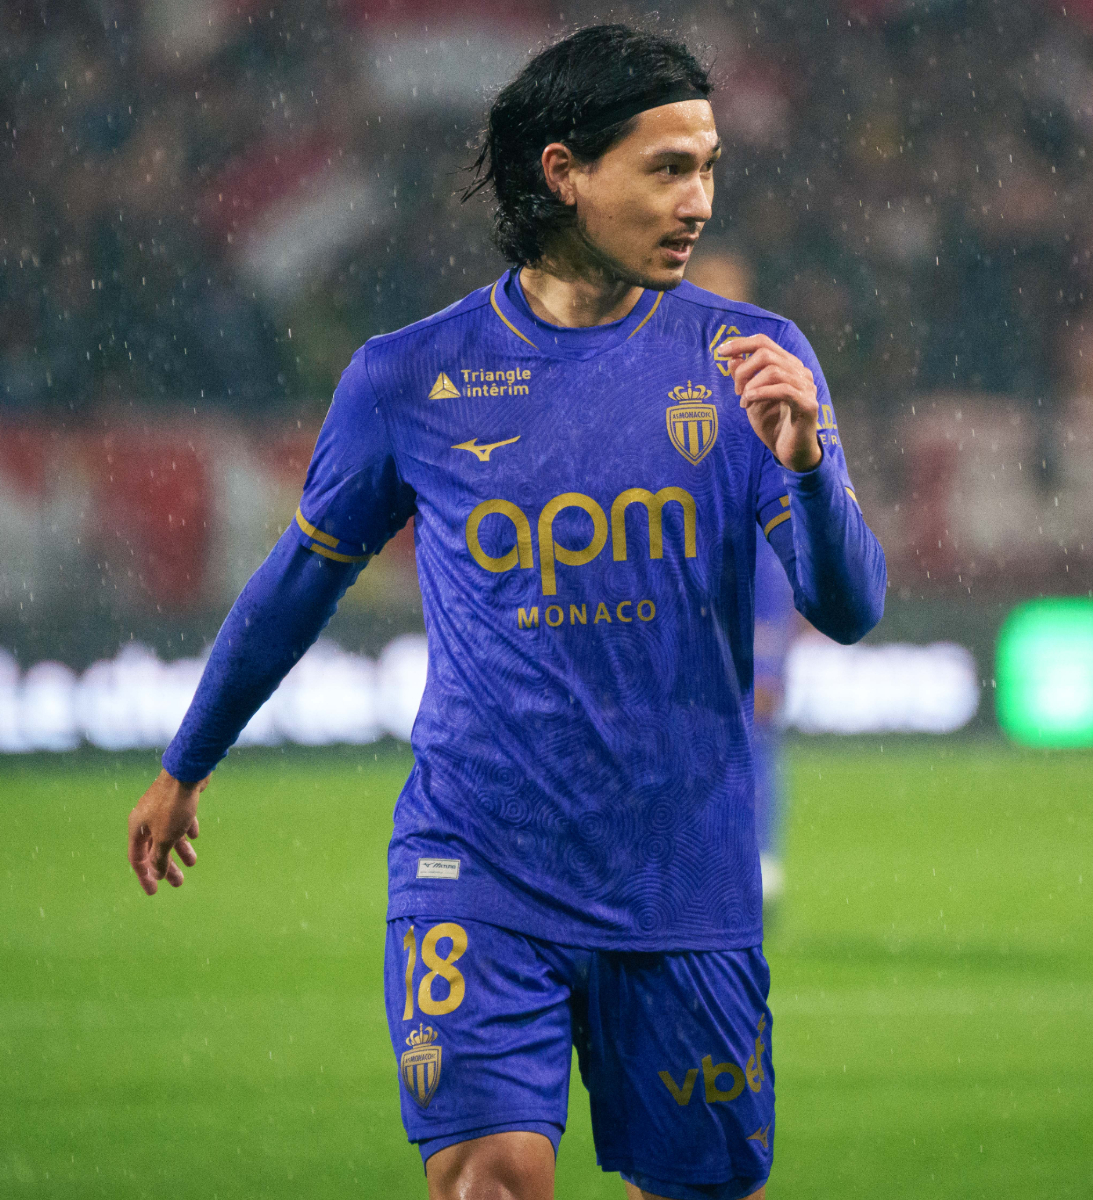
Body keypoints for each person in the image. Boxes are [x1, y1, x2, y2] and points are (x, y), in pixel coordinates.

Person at [127, 25, 886, 1200]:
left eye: (708, 168)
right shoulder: (409, 377)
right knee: (490, 1178)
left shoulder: (754, 361)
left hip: (682, 878)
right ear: (564, 172)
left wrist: (807, 466)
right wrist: (190, 759)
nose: (699, 201)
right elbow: (298, 581)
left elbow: (850, 606)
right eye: (667, 169)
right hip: (478, 862)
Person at [685, 249, 798, 906]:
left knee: (754, 727)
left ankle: (761, 860)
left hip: (745, 592)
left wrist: (771, 645)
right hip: (676, 600)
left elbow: (775, 534)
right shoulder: (653, 383)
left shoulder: (763, 395)